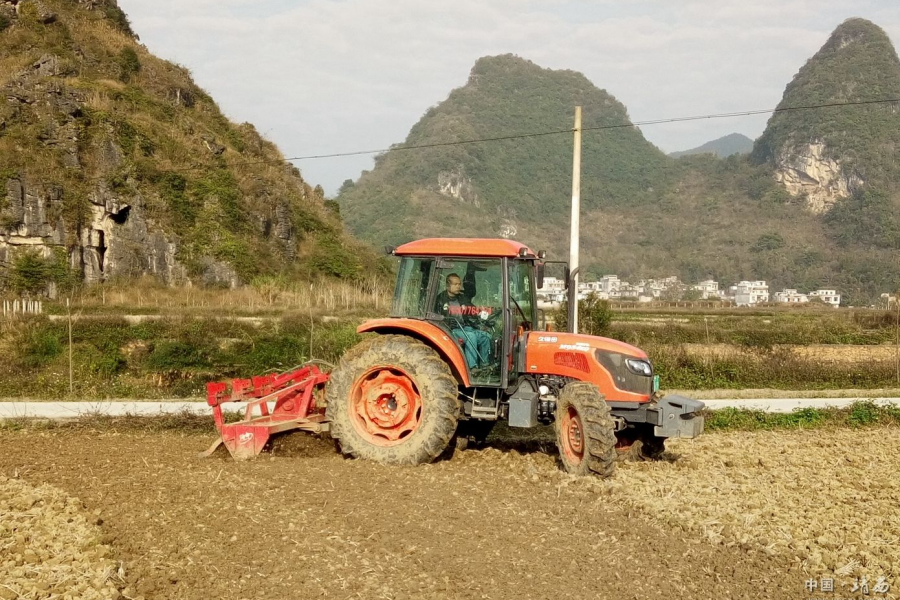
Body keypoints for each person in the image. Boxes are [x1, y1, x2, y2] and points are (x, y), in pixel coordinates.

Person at [435, 273, 492, 370]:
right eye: (455, 284)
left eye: (459, 284)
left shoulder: (462, 298)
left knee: (485, 336)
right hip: (450, 330)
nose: (459, 286)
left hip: (464, 327)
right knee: (471, 336)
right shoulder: (440, 299)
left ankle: (485, 366)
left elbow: (473, 309)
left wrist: (483, 313)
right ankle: (472, 368)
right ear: (448, 285)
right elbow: (437, 318)